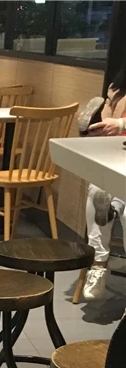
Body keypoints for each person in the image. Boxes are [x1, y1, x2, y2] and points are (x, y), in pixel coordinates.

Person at [81, 63, 126, 301]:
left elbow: (118, 125)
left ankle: (115, 207)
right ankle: (98, 264)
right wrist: (100, 126)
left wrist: (121, 125)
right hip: (118, 159)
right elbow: (111, 125)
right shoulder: (117, 88)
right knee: (97, 191)